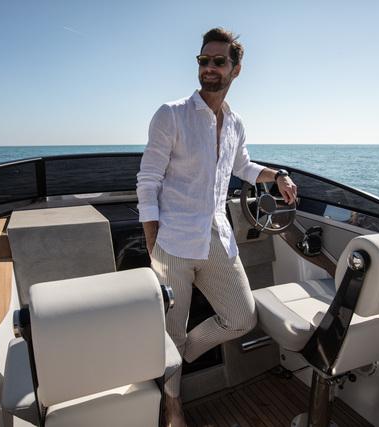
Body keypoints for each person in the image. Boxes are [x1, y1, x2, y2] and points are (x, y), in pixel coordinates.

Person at [136, 27, 298, 427]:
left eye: (218, 61)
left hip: (217, 238)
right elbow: (148, 181)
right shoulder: (171, 114)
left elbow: (243, 166)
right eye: (203, 60)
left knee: (242, 317)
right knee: (172, 326)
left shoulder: (236, 122)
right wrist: (153, 245)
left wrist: (277, 176)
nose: (209, 68)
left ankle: (175, 356)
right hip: (172, 242)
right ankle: (173, 403)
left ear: (235, 69)